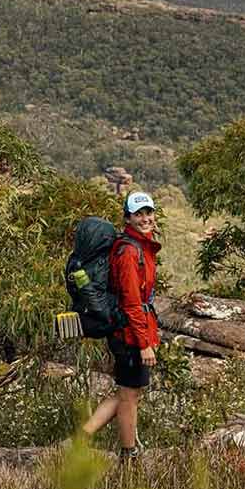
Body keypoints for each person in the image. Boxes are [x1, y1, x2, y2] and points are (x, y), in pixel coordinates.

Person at [81, 190, 161, 460]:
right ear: (127, 217)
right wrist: (144, 344)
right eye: (138, 214)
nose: (145, 218)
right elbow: (131, 302)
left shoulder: (142, 247)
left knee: (128, 391)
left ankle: (81, 438)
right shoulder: (129, 252)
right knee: (129, 396)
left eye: (148, 212)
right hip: (128, 333)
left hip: (131, 330)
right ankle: (129, 455)